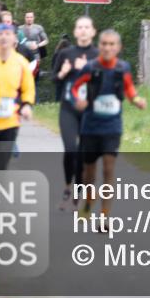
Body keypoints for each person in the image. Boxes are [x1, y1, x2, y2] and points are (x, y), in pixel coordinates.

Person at [71, 29, 146, 229]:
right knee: (89, 173)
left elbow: (129, 89)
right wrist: (77, 99)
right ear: (99, 46)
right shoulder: (90, 67)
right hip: (90, 126)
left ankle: (105, 217)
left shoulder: (123, 68)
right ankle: (88, 200)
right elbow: (75, 87)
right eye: (104, 44)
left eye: (112, 44)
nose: (107, 48)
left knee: (108, 170)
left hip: (112, 127)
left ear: (118, 48)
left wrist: (136, 100)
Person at [0, 23, 35, 171]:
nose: (4, 37)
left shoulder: (21, 62)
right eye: (0, 34)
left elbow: (27, 87)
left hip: (10, 120)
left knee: (2, 164)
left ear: (14, 38)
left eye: (8, 34)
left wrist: (27, 105)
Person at [53, 18, 97, 209]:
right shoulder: (65, 53)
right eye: (80, 27)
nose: (84, 31)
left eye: (87, 27)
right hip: (68, 108)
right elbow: (54, 79)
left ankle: (79, 190)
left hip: (89, 110)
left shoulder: (98, 55)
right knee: (71, 148)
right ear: (75, 31)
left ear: (93, 32)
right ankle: (67, 185)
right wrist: (63, 73)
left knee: (83, 152)